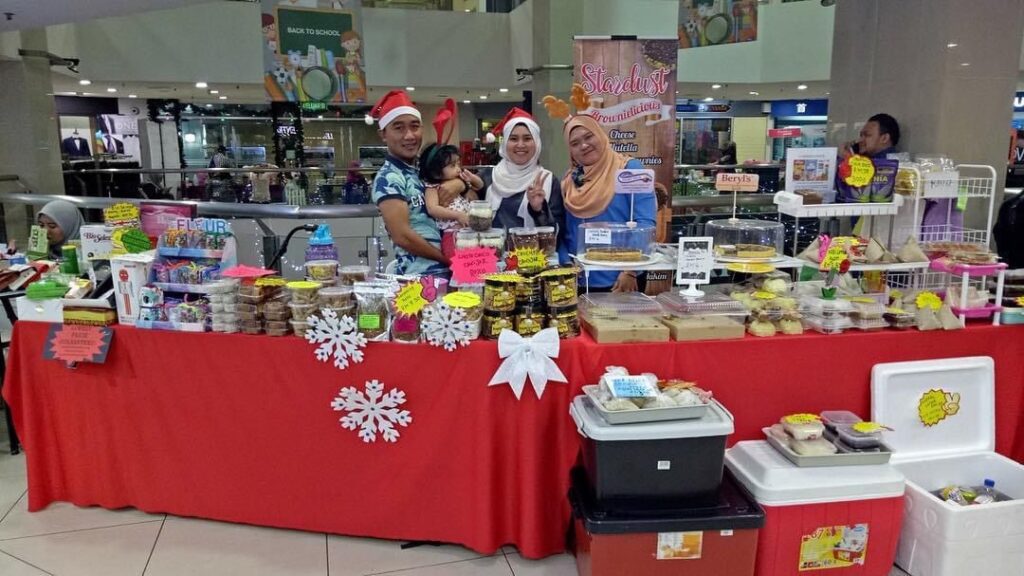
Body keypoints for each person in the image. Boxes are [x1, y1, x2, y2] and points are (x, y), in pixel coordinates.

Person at [560, 114, 656, 292]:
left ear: (600, 135)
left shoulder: (629, 169)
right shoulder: (569, 181)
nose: (584, 145)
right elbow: (566, 231)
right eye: (575, 143)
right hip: (581, 279)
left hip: (621, 279)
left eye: (589, 136)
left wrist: (630, 271)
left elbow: (645, 223)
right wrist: (566, 265)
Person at [367, 90, 450, 277]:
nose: (409, 136)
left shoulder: (424, 169)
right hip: (420, 280)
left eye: (415, 126)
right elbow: (402, 236)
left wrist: (460, 185)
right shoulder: (389, 178)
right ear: (383, 134)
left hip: (450, 274)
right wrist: (447, 260)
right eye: (399, 128)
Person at [484, 108, 565, 237]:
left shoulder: (548, 181)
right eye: (513, 139)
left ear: (537, 142)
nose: (520, 145)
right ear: (505, 142)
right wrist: (462, 185)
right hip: (491, 249)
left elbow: (557, 234)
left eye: (527, 138)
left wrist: (539, 210)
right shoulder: (489, 176)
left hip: (531, 250)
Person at [419, 142, 483, 232]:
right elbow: (432, 209)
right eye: (453, 166)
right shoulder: (433, 187)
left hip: (468, 227)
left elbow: (479, 185)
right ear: (435, 172)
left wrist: (472, 178)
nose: (458, 169)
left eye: (458, 164)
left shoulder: (459, 179)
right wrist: (457, 215)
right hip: (450, 230)